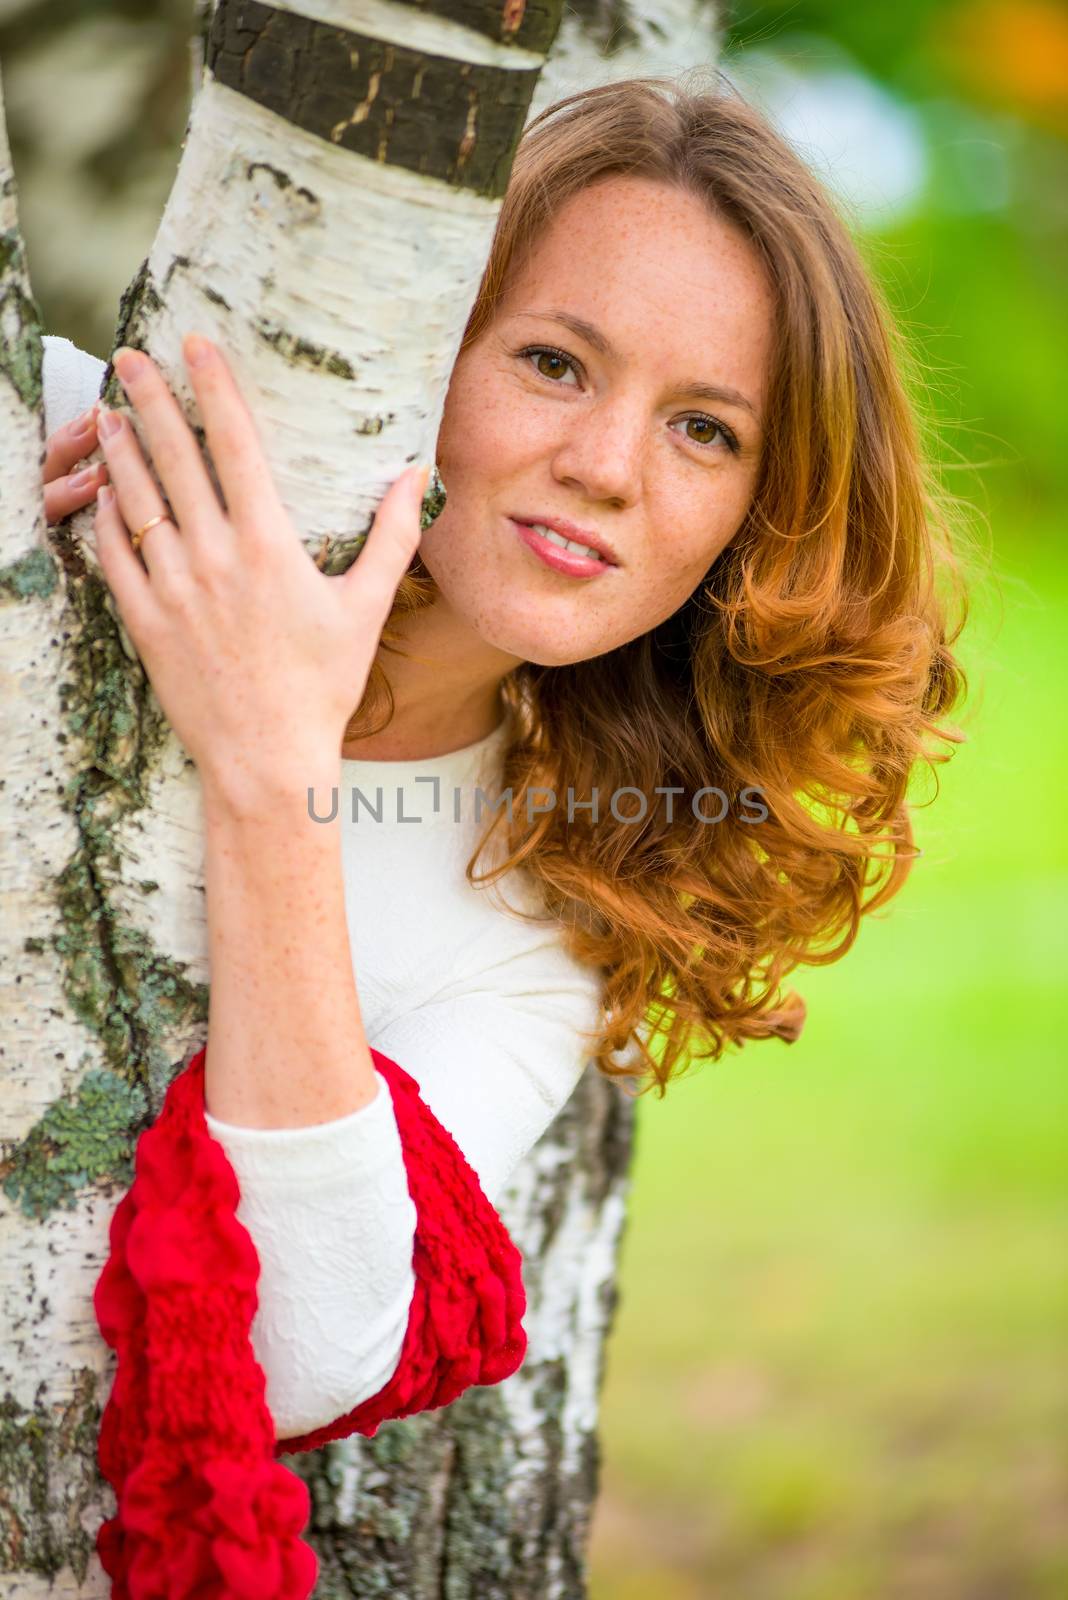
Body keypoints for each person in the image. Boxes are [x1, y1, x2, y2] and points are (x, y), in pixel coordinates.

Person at [41, 72, 968, 1597]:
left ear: (760, 519)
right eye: (550, 361)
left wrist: (274, 769)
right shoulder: (77, 448)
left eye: (704, 429)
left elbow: (301, 1354)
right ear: (431, 347)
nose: (607, 466)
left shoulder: (528, 944)